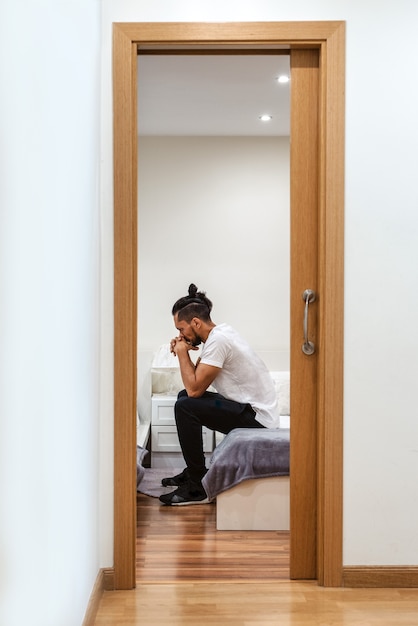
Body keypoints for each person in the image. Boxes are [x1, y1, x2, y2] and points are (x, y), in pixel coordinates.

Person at [159, 283, 280, 506]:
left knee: (185, 405)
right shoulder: (220, 334)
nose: (180, 334)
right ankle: (195, 471)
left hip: (258, 420)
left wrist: (182, 353)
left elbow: (196, 389)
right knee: (182, 397)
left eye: (181, 328)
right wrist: (184, 351)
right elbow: (195, 384)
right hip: (251, 409)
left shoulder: (219, 341)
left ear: (195, 322)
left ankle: (197, 487)